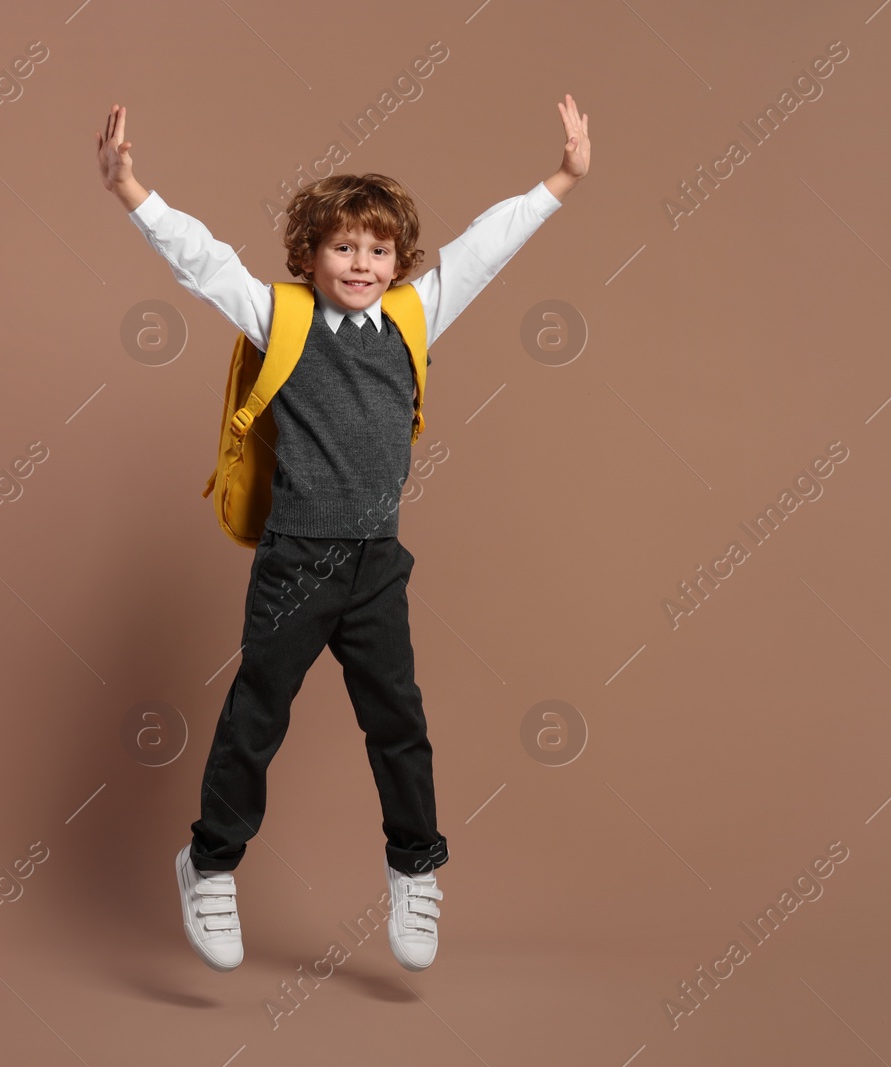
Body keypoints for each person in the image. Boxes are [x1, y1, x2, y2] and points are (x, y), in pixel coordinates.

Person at [96, 96, 591, 972]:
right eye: (342, 247)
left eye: (377, 249)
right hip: (295, 561)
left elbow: (485, 244)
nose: (360, 263)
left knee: (398, 721)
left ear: (399, 262)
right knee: (257, 716)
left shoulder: (415, 316)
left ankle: (415, 868)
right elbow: (200, 260)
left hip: (375, 566)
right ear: (309, 255)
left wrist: (558, 182)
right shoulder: (277, 316)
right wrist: (133, 190)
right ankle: (208, 863)